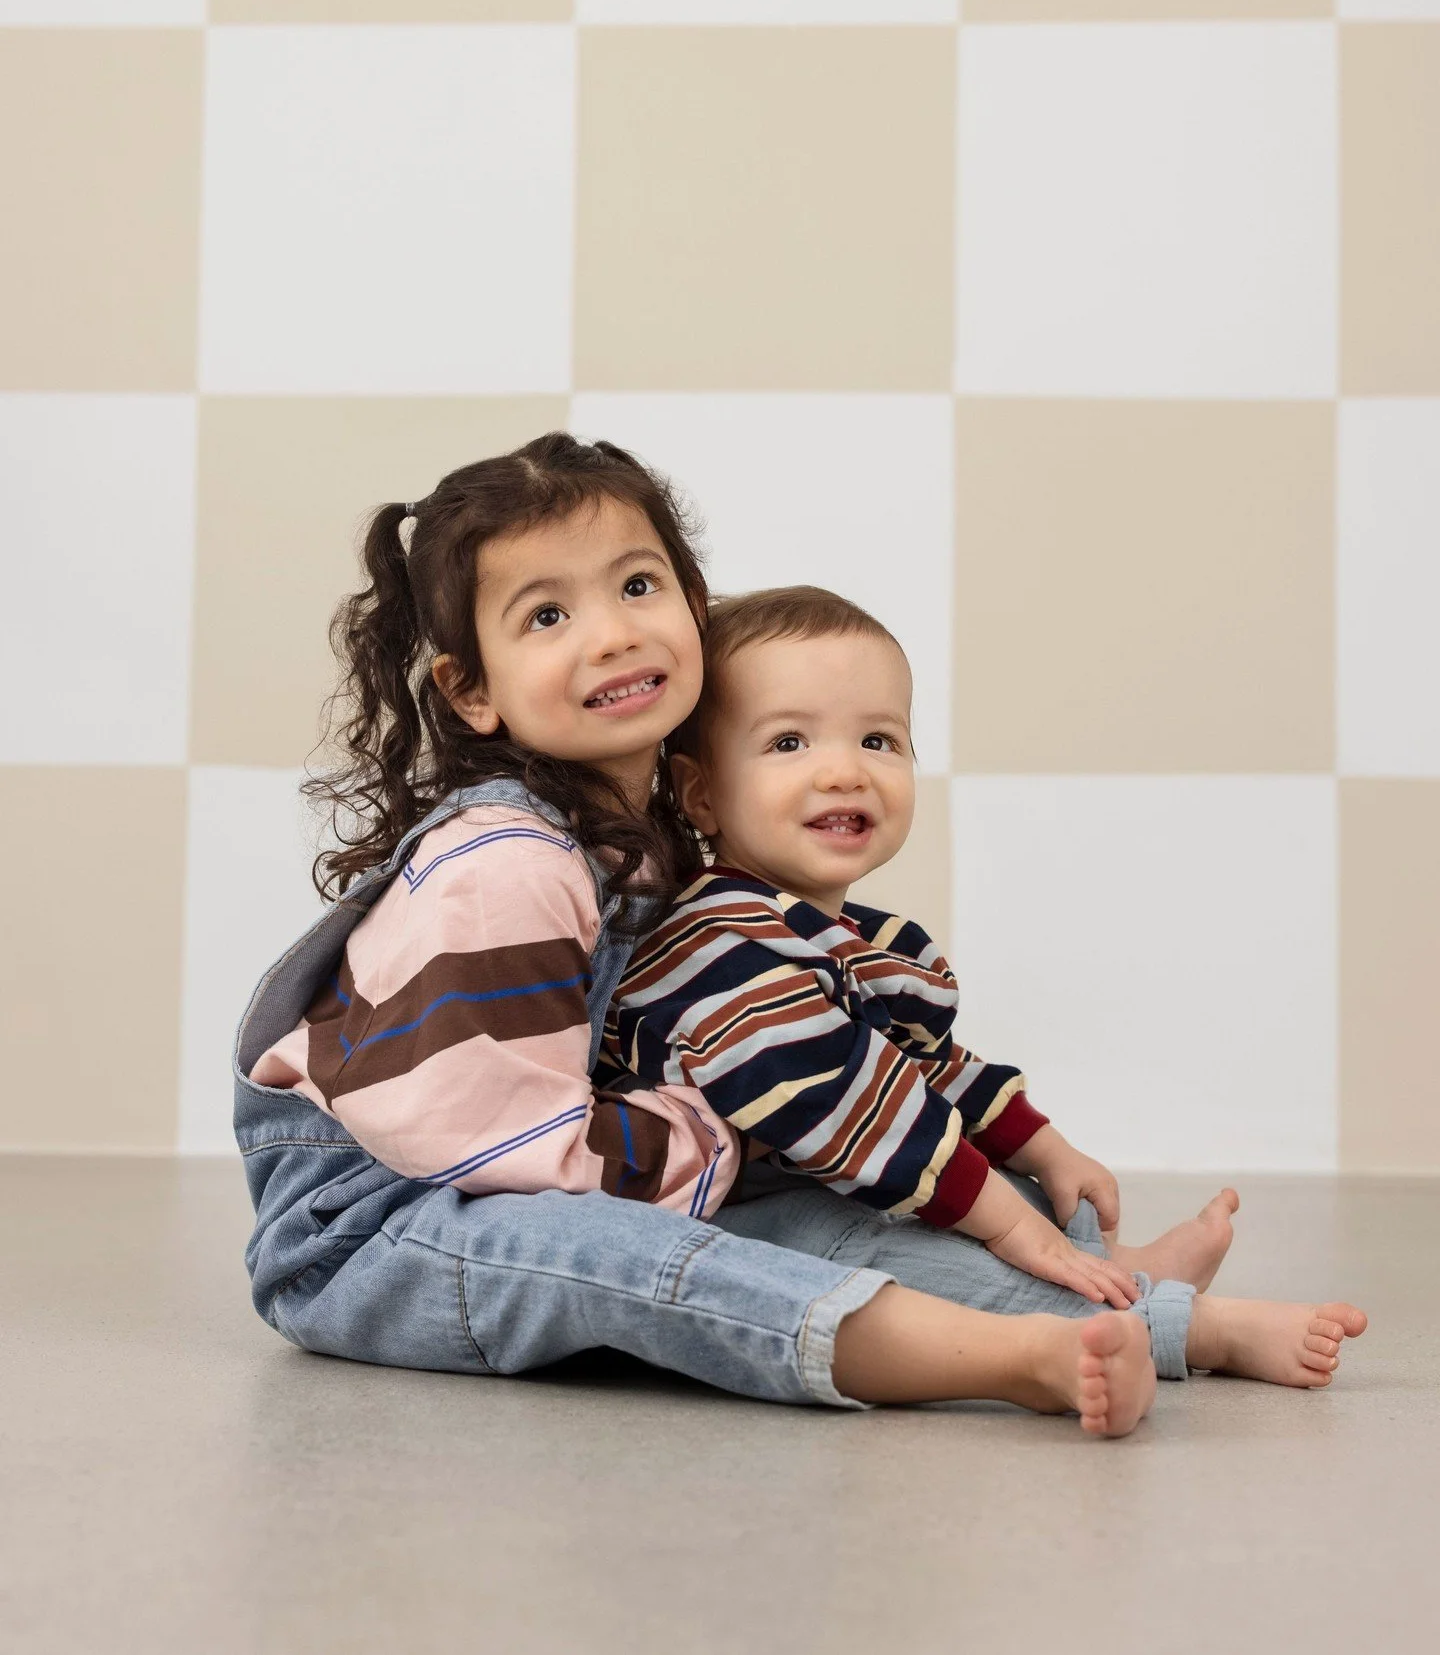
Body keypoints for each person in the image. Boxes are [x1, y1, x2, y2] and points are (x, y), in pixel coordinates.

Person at [233, 431, 1172, 1435]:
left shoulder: (650, 838)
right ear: (473, 691)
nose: (611, 636)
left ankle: (1125, 1300)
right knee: (656, 1262)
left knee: (839, 1167)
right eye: (547, 615)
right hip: (379, 1231)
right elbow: (491, 1142)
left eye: (638, 587)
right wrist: (716, 1127)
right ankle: (1015, 1354)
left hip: (554, 1165)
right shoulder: (507, 865)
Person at [602, 584, 1368, 1393]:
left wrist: (1044, 1148)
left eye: (878, 739)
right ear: (701, 795)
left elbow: (928, 1073)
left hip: (852, 1167)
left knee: (995, 1180)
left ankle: (1107, 1269)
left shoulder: (863, 938)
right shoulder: (713, 935)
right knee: (899, 1253)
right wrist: (1011, 1230)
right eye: (789, 742)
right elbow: (843, 1106)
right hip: (737, 1213)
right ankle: (1184, 1326)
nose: (844, 770)